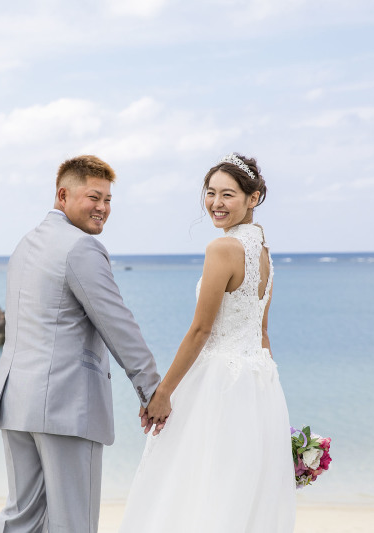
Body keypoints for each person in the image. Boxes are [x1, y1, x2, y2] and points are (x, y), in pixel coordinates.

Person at [0, 155, 169, 533]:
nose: (102, 208)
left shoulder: (25, 244)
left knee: (21, 518)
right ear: (63, 195)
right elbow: (117, 323)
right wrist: (153, 389)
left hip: (17, 401)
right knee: (74, 524)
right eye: (93, 197)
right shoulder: (80, 248)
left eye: (107, 200)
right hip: (65, 406)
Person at [120, 153, 296, 532]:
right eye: (211, 193)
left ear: (254, 198)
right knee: (237, 491)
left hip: (219, 385)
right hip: (259, 385)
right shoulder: (264, 254)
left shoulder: (223, 249)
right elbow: (262, 334)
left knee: (193, 488)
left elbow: (201, 331)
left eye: (228, 194)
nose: (216, 203)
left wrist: (163, 392)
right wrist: (268, 400)